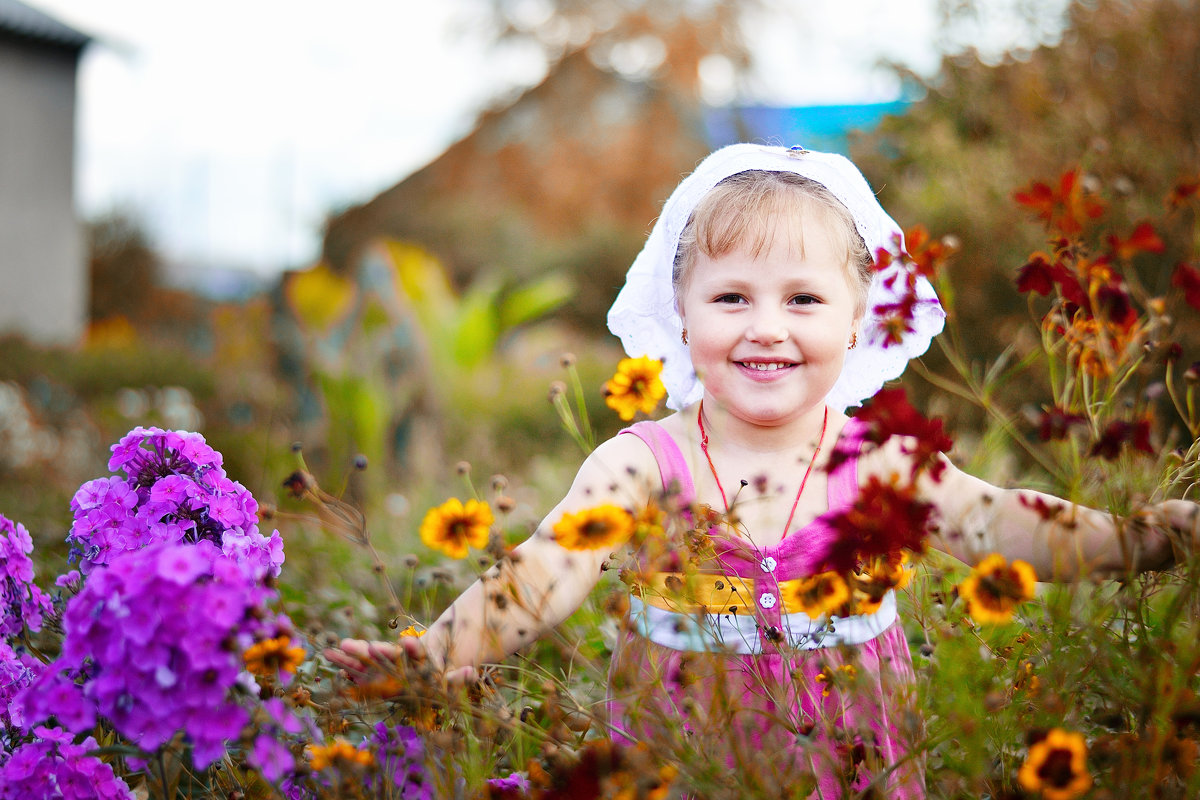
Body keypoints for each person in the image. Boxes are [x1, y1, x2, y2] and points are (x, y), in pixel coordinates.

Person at [328, 144, 1198, 797]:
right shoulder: (643, 464)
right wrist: (434, 657)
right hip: (688, 764)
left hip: (857, 768)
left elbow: (1007, 522)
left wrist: (1142, 541)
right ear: (681, 311)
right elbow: (540, 575)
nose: (767, 328)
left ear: (860, 318)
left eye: (804, 300)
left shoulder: (881, 462)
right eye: (732, 297)